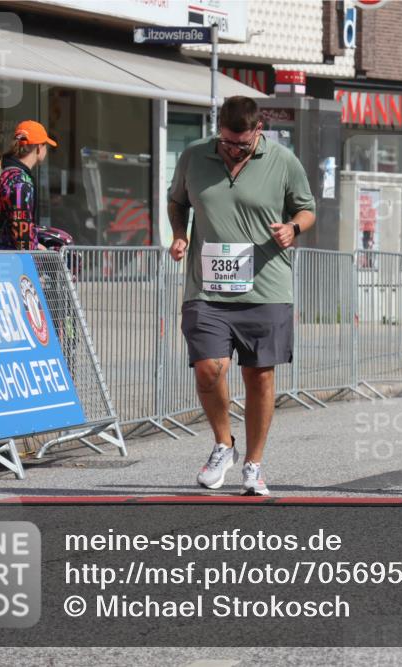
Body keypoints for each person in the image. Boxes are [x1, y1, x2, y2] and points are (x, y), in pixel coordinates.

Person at [168, 96, 316, 496]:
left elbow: (306, 208)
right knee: (208, 368)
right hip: (207, 288)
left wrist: (293, 229)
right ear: (220, 130)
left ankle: (253, 464)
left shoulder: (283, 161)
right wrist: (180, 235)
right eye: (228, 142)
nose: (234, 151)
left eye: (243, 144)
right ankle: (223, 445)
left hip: (266, 286)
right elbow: (177, 202)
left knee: (259, 376)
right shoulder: (194, 157)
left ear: (258, 131)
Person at [0, 120, 56, 250]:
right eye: (45, 146)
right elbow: (22, 234)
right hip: (11, 261)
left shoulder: (1, 171)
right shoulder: (21, 182)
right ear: (38, 148)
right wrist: (37, 250)